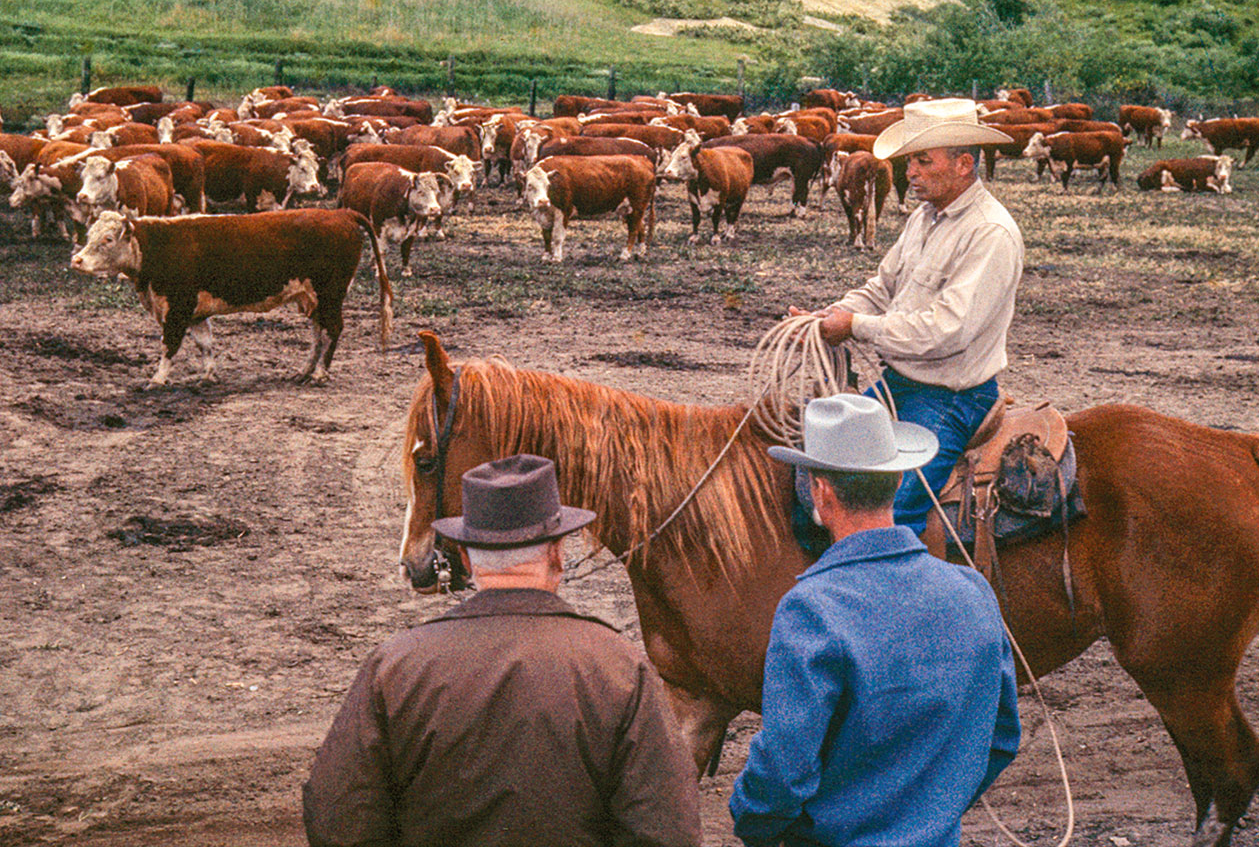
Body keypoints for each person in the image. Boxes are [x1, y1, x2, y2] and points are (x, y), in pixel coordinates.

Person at [302, 453, 700, 847]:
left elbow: (337, 820)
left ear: (466, 558)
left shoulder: (394, 667)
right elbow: (667, 830)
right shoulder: (620, 668)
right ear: (558, 553)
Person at [732, 394, 1021, 847]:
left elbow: (782, 773)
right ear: (898, 478)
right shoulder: (974, 593)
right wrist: (931, 813)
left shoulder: (810, 609)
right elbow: (1001, 737)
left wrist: (756, 824)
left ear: (820, 490)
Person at [791, 98, 1022, 536]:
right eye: (909, 161)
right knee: (818, 470)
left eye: (921, 160)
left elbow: (947, 330)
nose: (909, 172)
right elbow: (884, 288)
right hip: (901, 383)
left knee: (884, 513)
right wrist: (833, 315)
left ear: (963, 164)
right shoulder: (924, 217)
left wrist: (854, 328)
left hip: (952, 398)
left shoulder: (990, 233)